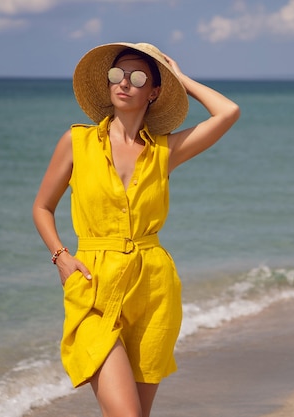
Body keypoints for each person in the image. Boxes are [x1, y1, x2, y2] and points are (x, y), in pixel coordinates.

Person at [32, 42, 239, 417]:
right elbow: (42, 207)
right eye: (116, 75)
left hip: (153, 288)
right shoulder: (76, 143)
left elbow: (228, 112)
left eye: (138, 77)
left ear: (154, 91)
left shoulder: (165, 151)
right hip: (93, 284)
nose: (124, 83)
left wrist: (182, 78)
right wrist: (61, 257)